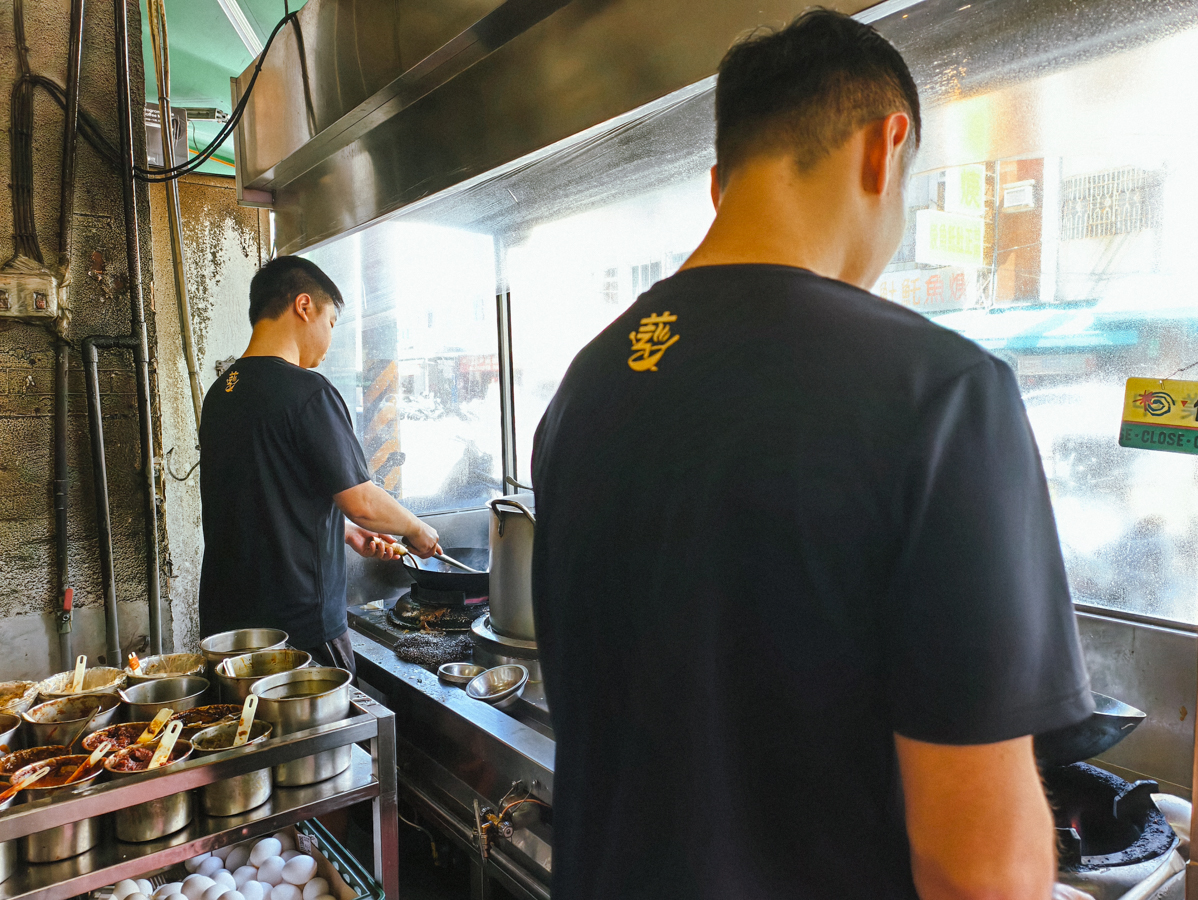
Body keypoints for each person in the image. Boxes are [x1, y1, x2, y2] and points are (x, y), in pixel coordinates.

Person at [530, 11, 1092, 900]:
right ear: (886, 145)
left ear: (722, 185)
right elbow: (979, 870)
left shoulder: (583, 386)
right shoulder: (942, 392)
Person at [198, 256, 441, 677]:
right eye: (331, 322)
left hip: (228, 631)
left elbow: (262, 497)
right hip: (297, 635)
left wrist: (344, 532)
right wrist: (416, 529)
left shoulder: (222, 392)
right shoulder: (308, 392)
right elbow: (362, 501)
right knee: (314, 743)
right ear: (304, 306)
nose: (329, 342)